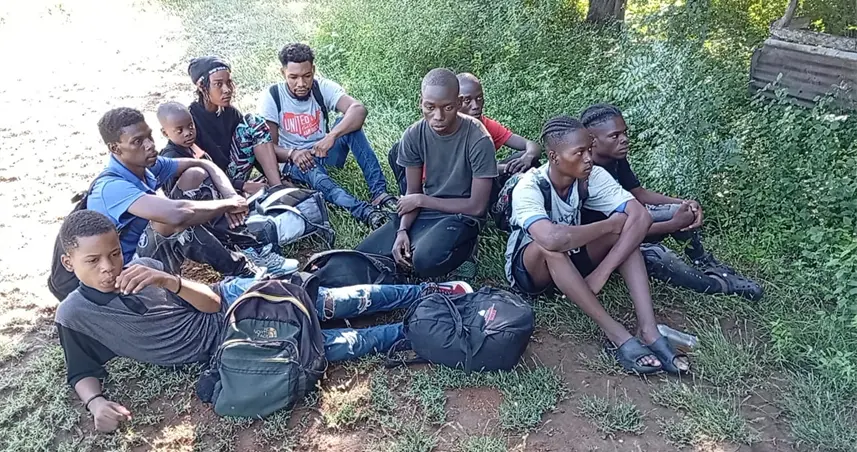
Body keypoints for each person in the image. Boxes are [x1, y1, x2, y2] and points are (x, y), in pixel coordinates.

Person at [54, 210, 472, 432]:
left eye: (114, 254)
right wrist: (95, 402)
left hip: (233, 302)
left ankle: (427, 293)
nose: (109, 267)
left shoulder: (145, 270)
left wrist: (170, 280)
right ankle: (424, 329)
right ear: (69, 262)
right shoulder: (75, 314)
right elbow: (81, 369)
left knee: (328, 303)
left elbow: (212, 303)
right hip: (228, 344)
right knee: (330, 346)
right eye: (93, 260)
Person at [505, 115, 689, 375]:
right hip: (532, 272)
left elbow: (641, 217)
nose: (588, 158)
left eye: (589, 150)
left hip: (574, 259)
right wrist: (609, 225)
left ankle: (648, 329)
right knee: (551, 246)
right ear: (554, 157)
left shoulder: (592, 176)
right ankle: (618, 335)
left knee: (628, 233)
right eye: (579, 153)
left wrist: (602, 273)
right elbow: (551, 238)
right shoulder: (530, 186)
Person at [580, 104, 762, 301]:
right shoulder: (587, 175)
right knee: (661, 257)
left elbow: (638, 193)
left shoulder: (614, 157)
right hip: (608, 244)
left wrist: (685, 203)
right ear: (592, 141)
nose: (624, 139)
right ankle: (717, 285)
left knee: (682, 211)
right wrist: (673, 224)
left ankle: (703, 261)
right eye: (615, 136)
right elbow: (619, 232)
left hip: (632, 223)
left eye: (624, 133)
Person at [357, 68, 498, 278]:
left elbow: (477, 207)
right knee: (362, 256)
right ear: (420, 102)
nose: (438, 116)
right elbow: (412, 193)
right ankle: (413, 245)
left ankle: (467, 251)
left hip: (463, 215)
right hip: (427, 211)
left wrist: (422, 200)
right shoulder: (414, 134)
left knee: (424, 260)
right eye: (430, 107)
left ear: (459, 103)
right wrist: (402, 231)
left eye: (447, 107)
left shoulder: (478, 138)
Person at [87, 107, 258, 278]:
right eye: (138, 141)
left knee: (195, 175)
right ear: (115, 148)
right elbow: (176, 215)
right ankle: (242, 272)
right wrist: (228, 205)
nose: (150, 145)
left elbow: (204, 164)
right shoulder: (111, 187)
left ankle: (238, 243)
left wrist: (231, 195)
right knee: (171, 219)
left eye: (149, 136)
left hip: (147, 253)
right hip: (122, 272)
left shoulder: (146, 166)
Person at [157, 101, 297, 276]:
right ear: (165, 133)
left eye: (190, 126)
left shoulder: (192, 147)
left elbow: (216, 176)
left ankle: (254, 249)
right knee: (230, 218)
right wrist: (223, 207)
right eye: (179, 130)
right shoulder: (171, 158)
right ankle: (249, 252)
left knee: (243, 211)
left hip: (215, 206)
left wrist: (231, 197)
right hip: (194, 218)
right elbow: (179, 200)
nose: (188, 132)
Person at [259, 43, 389, 228]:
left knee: (351, 127)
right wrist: (292, 153)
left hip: (323, 150)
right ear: (283, 73)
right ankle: (365, 212)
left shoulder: (322, 87)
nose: (301, 84)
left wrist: (331, 136)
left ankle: (380, 194)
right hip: (296, 161)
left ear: (313, 70)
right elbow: (267, 147)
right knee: (320, 180)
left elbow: (358, 110)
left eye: (307, 76)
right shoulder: (273, 96)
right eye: (293, 77)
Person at [387, 72, 542, 197]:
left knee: (530, 162)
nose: (475, 106)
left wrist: (527, 157)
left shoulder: (483, 126)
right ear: (457, 102)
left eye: (479, 99)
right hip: (441, 188)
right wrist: (505, 168)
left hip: (476, 184)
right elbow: (457, 175)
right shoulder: (439, 131)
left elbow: (531, 145)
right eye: (468, 101)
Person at [187, 56, 284, 196]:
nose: (227, 90)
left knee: (254, 122)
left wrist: (274, 175)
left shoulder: (231, 113)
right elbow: (199, 170)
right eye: (218, 84)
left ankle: (278, 187)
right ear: (202, 86)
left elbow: (254, 146)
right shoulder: (190, 121)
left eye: (228, 83)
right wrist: (243, 186)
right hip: (210, 183)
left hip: (234, 176)